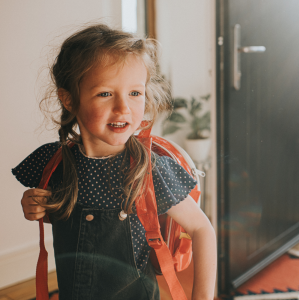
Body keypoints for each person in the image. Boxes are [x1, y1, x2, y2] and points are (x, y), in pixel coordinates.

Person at [12, 24, 216, 300]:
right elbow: (68, 220)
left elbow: (202, 229)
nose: (123, 108)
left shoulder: (149, 170)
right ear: (68, 99)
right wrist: (35, 206)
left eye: (135, 93)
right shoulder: (52, 162)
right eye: (105, 93)